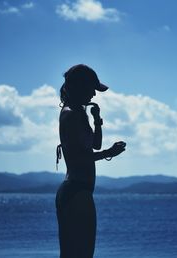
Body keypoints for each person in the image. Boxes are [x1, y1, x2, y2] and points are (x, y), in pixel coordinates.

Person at [56, 64, 126, 258]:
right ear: (79, 87)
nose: (94, 95)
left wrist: (97, 120)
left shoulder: (76, 113)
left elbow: (94, 145)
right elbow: (79, 158)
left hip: (78, 192)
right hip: (77, 192)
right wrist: (109, 152)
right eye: (91, 89)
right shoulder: (71, 115)